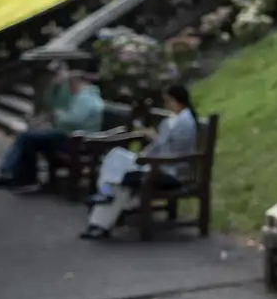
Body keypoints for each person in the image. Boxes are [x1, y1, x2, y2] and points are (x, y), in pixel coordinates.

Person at [81, 83, 200, 240]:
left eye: (167, 101)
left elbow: (173, 151)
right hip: (156, 164)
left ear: (175, 100)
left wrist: (154, 138)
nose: (166, 104)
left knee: (119, 182)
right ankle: (102, 206)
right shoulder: (176, 119)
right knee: (116, 156)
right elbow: (165, 145)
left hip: (168, 171)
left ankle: (99, 223)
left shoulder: (184, 122)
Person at [0, 68, 103, 188]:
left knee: (27, 137)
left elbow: (73, 120)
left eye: (70, 86)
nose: (70, 90)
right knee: (29, 137)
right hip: (73, 137)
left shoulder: (85, 98)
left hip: (76, 139)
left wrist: (57, 115)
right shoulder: (85, 96)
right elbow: (58, 108)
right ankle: (15, 173)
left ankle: (17, 175)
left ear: (75, 83)